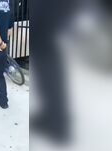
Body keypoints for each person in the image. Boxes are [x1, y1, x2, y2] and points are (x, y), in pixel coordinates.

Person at [30, 0, 77, 143]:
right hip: (48, 42)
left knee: (52, 84)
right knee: (49, 85)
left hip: (47, 43)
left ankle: (59, 128)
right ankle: (51, 117)